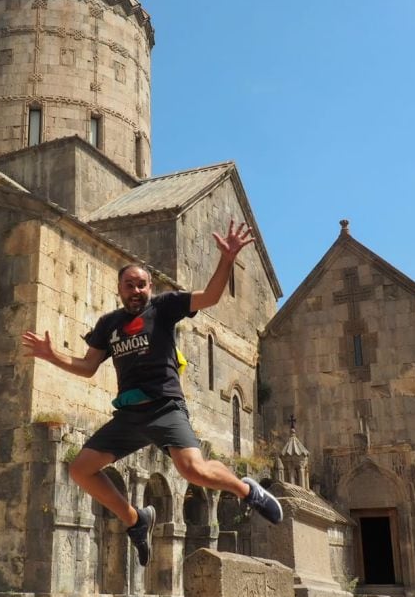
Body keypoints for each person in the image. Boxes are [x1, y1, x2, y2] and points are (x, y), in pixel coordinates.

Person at [20, 220, 283, 568]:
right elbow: (87, 367)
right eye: (130, 285)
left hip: (164, 407)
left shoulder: (164, 307)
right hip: (129, 416)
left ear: (150, 287)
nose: (136, 290)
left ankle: (246, 490)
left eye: (142, 285)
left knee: (193, 470)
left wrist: (227, 259)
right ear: (119, 289)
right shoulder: (108, 325)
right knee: (81, 470)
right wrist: (53, 356)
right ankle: (135, 519)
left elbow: (210, 297)